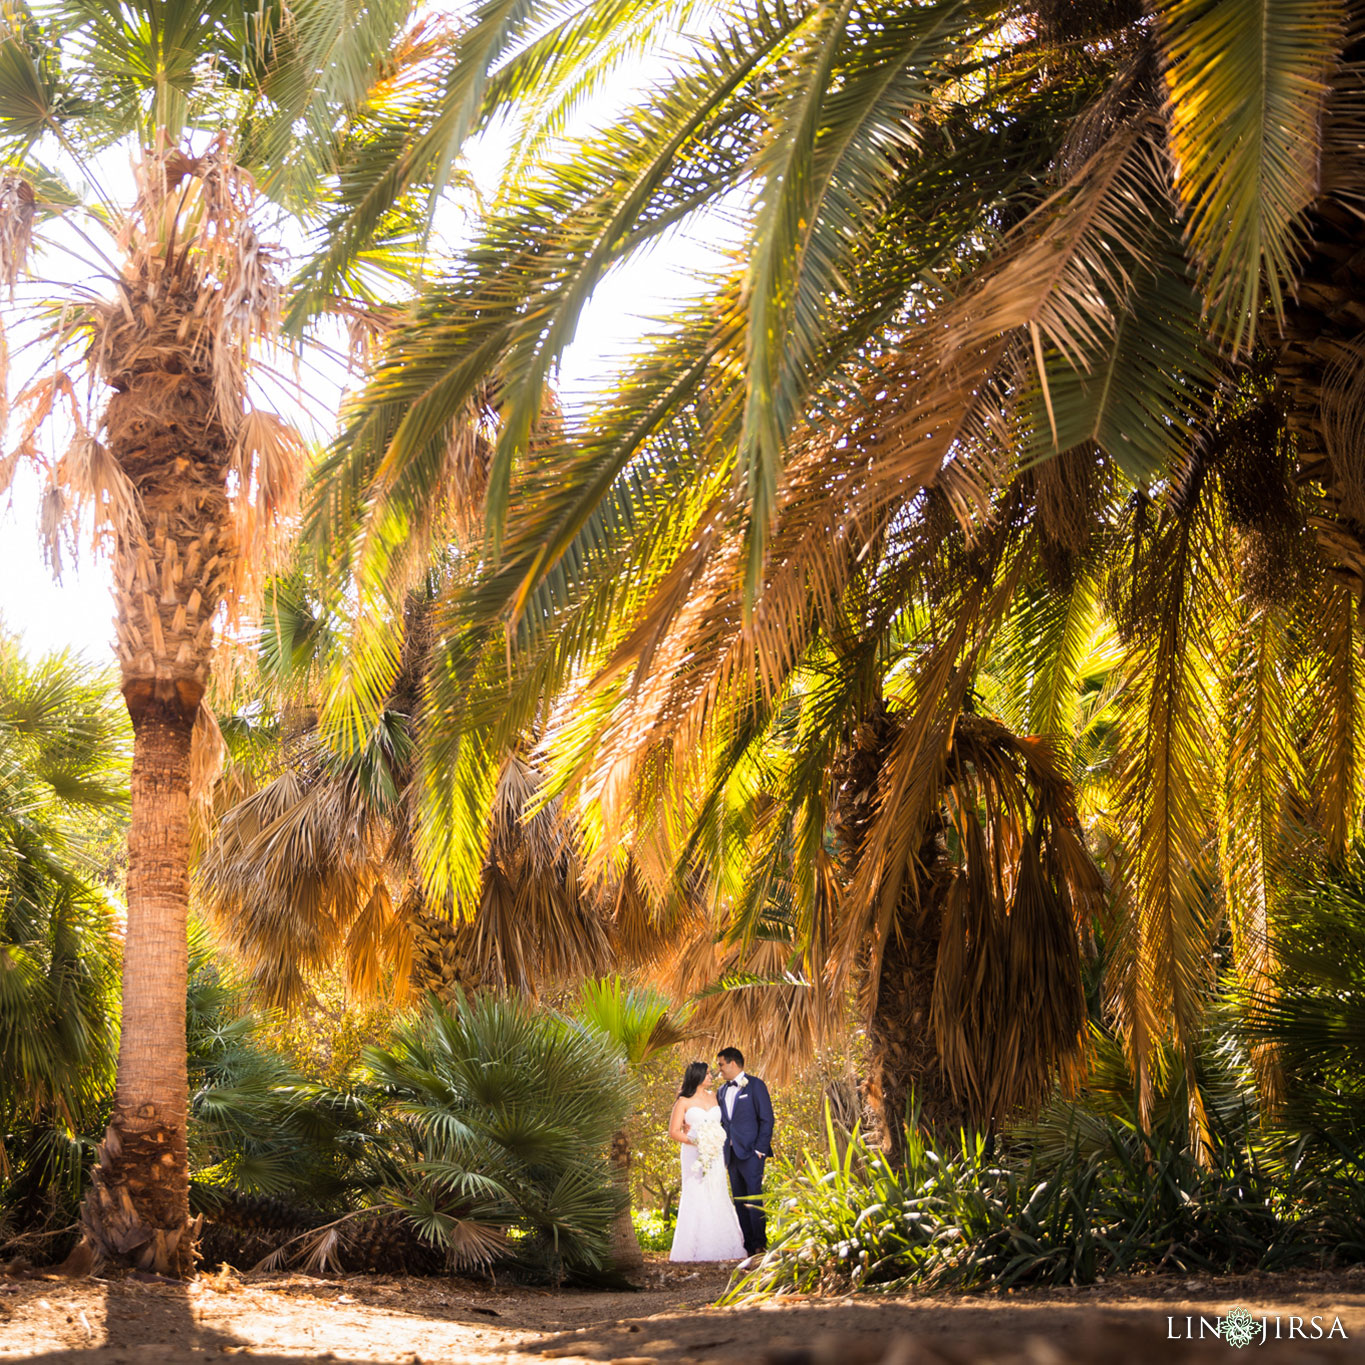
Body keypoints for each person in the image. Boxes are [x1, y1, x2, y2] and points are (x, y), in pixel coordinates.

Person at [666, 1060, 747, 1262]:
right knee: (696, 1192)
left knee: (717, 1190)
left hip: (715, 1152)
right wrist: (697, 1140)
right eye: (708, 1074)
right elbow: (674, 1132)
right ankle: (692, 1248)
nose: (712, 1076)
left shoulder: (716, 1097)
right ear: (698, 1076)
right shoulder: (683, 1102)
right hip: (694, 1154)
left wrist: (714, 1141)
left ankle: (722, 1245)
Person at [715, 1046, 774, 1255]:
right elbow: (721, 1122)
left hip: (751, 1153)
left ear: (732, 1063)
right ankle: (747, 1245)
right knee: (739, 1199)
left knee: (754, 1197)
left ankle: (759, 1243)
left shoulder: (755, 1085)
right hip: (730, 1155)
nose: (719, 1070)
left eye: (721, 1064)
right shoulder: (721, 1091)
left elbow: (767, 1119)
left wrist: (760, 1149)